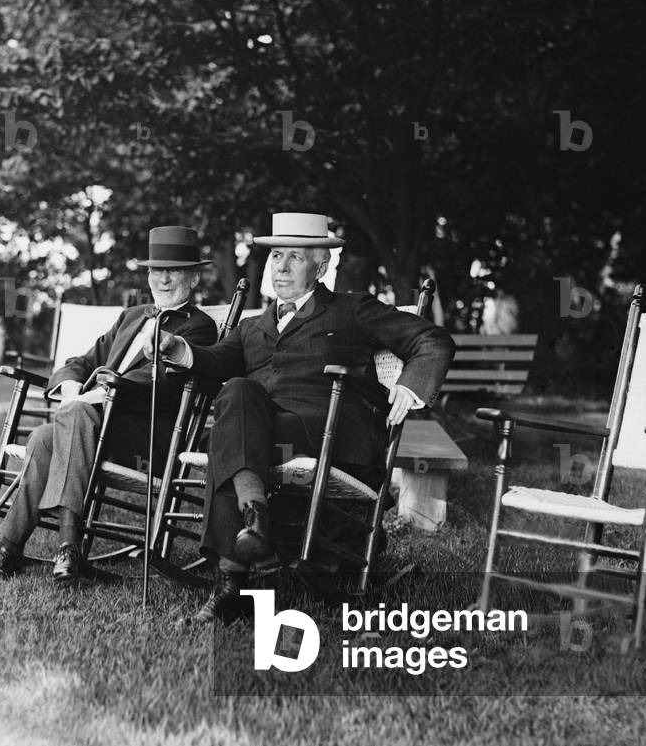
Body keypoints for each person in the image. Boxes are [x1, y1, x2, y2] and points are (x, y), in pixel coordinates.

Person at [148, 212, 455, 621]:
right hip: (266, 434)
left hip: (327, 432)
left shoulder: (351, 310)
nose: (282, 267)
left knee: (232, 438)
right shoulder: (253, 327)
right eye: (276, 256)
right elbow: (216, 360)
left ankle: (231, 582)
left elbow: (429, 338)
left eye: (295, 257)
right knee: (237, 394)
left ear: (321, 265)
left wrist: (411, 385)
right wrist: (179, 350)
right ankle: (254, 521)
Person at [0, 225, 218, 582]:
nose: (163, 279)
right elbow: (83, 361)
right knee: (44, 438)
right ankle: (11, 549)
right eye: (156, 270)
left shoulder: (198, 328)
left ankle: (65, 544)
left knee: (66, 421)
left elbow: (164, 383)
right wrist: (73, 386)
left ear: (194, 278)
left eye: (174, 271)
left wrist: (105, 393)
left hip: (150, 438)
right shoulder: (132, 317)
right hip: (92, 426)